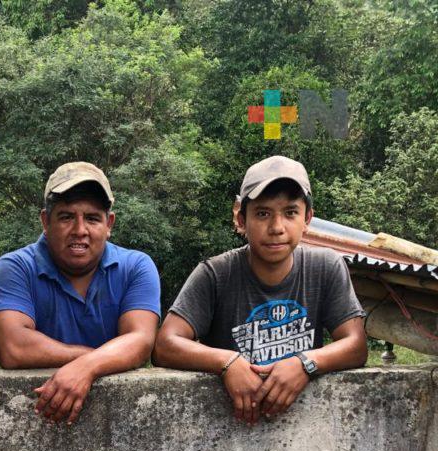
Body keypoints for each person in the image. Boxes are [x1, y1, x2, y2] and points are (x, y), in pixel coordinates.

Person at [153, 156, 367, 424]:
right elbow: (165, 345)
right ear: (241, 219)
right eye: (263, 214)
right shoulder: (216, 274)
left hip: (307, 429)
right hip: (229, 427)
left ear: (307, 218)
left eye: (290, 213)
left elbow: (356, 345)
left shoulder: (325, 267)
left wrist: (305, 363)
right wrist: (227, 362)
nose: (277, 228)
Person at [0, 162, 161, 425]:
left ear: (109, 224)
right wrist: (97, 358)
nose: (80, 230)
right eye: (66, 217)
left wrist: (87, 367)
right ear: (45, 221)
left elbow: (140, 341)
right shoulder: (16, 267)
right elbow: (12, 347)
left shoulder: (136, 267)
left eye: (92, 218)